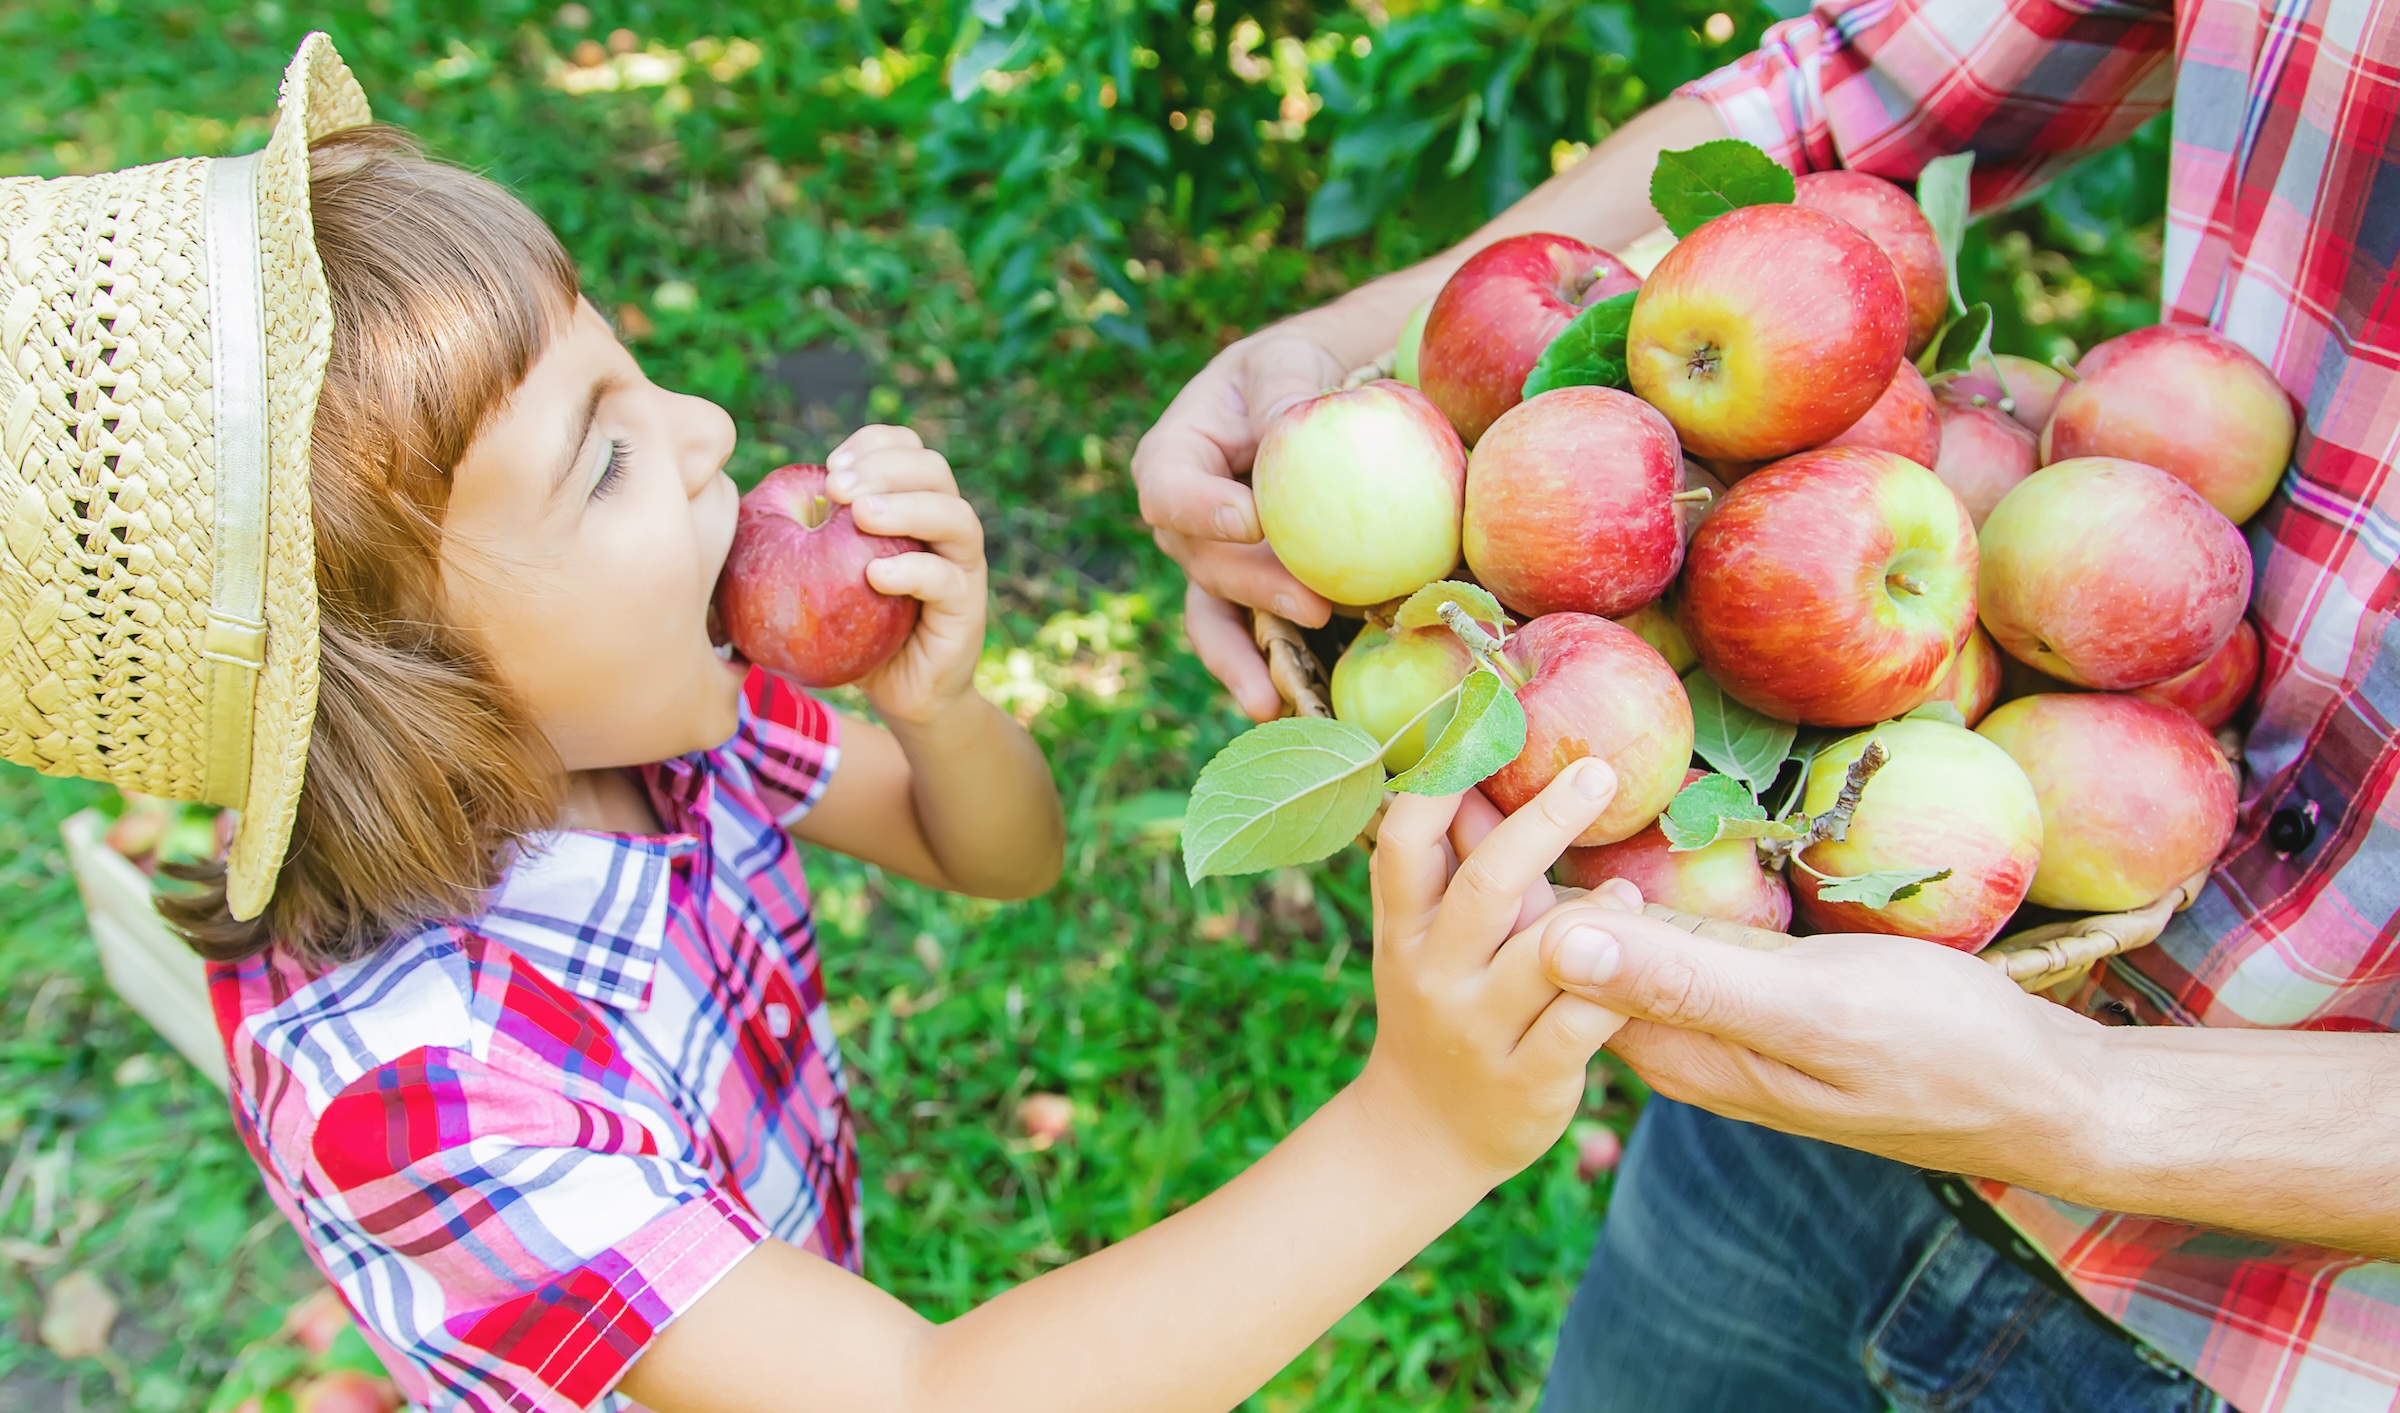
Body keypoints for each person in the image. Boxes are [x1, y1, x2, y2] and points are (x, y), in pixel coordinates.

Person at [0, 33, 1654, 1413]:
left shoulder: (645, 716)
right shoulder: (406, 1084)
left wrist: (936, 714)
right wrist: (1417, 1130)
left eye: (634, 380)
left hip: (782, 1300)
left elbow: (989, 854)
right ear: (403, 692)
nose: (713, 423)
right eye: (606, 455)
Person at [1133, 0, 2400, 1408]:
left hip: (2278, 1334)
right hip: (1810, 1031)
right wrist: (1331, 353)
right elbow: (1856, 96)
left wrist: (2080, 1103)